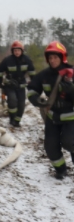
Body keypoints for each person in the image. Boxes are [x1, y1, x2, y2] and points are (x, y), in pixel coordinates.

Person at [27, 41, 74, 180]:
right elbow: (31, 90)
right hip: (53, 117)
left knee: (69, 142)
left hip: (71, 117)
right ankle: (61, 169)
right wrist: (36, 99)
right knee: (50, 147)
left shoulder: (71, 73)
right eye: (50, 57)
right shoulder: (44, 75)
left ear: (62, 57)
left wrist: (71, 90)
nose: (52, 60)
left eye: (55, 57)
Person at [0, 41, 36, 127]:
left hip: (21, 85)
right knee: (13, 101)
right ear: (12, 51)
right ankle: (12, 118)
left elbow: (32, 72)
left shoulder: (27, 60)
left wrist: (34, 84)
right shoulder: (7, 60)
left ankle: (17, 121)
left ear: (22, 51)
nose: (17, 52)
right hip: (10, 84)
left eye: (18, 50)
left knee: (21, 104)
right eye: (15, 50)